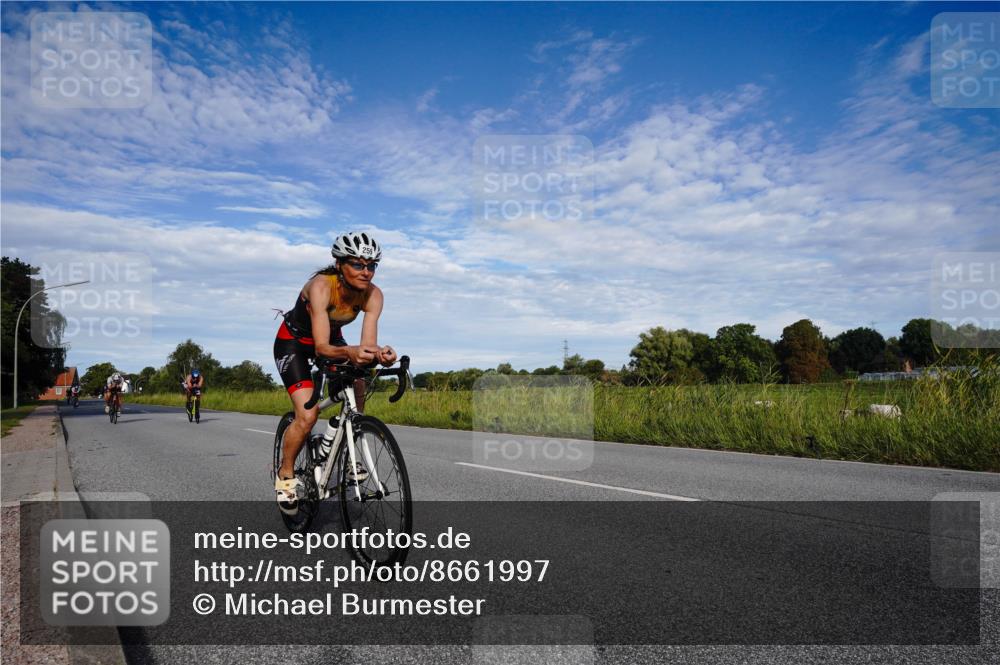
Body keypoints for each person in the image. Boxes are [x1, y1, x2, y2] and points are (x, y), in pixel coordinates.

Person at [273, 231, 396, 514]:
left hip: (331, 340)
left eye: (372, 265)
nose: (366, 272)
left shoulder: (374, 295)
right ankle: (286, 474)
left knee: (359, 379)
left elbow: (365, 347)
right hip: (294, 344)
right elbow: (322, 348)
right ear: (339, 264)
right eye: (358, 264)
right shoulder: (320, 287)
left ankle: (351, 445)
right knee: (307, 416)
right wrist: (352, 352)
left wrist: (379, 354)